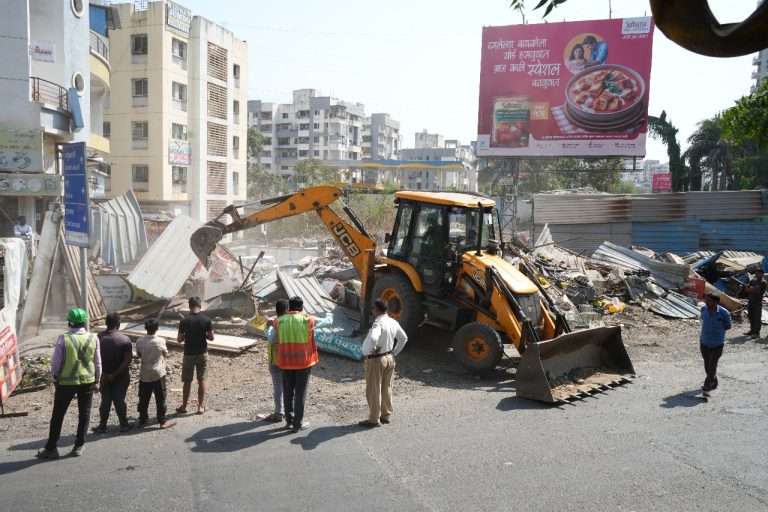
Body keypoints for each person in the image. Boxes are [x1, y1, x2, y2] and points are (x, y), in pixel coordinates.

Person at [37, 308, 101, 459]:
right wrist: (98, 380)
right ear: (85, 322)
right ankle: (79, 445)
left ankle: (51, 448)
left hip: (65, 383)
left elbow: (56, 363)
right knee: (84, 414)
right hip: (87, 381)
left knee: (58, 415)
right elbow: (98, 363)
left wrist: (55, 377)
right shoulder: (93, 338)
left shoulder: (63, 339)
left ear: (70, 322)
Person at [358, 299, 409, 428]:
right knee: (386, 387)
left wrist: (366, 351)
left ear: (376, 309)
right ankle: (385, 415)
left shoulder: (378, 323)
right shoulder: (393, 322)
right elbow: (403, 338)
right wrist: (394, 353)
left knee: (373, 389)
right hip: (389, 357)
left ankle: (374, 419)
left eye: (373, 308)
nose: (372, 310)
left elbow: (374, 338)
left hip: (376, 359)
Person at [276, 296, 318, 433]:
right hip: (303, 363)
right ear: (301, 307)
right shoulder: (308, 320)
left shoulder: (279, 321)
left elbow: (273, 325)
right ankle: (297, 424)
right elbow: (314, 320)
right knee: (300, 393)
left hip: (286, 362)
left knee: (288, 392)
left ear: (289, 307)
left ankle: (289, 421)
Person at [93, 312, 133, 434]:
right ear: (119, 324)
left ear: (106, 323)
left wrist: (103, 374)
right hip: (121, 376)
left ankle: (102, 426)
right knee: (119, 400)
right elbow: (127, 361)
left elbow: (94, 358)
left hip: (103, 376)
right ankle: (124, 425)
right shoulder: (125, 339)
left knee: (105, 400)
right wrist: (114, 374)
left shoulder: (98, 338)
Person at [136, 318, 176, 429]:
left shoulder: (139, 341)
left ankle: (143, 419)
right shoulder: (161, 341)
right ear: (157, 329)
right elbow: (165, 354)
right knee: (160, 397)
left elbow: (139, 355)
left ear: (145, 328)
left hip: (145, 374)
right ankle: (162, 421)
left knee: (144, 397)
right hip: (158, 373)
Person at [177, 296, 213, 415]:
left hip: (188, 354)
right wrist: (204, 334)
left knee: (187, 381)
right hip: (202, 353)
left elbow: (179, 339)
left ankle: (184, 406)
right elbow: (211, 337)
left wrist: (186, 335)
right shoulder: (206, 320)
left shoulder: (184, 321)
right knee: (201, 380)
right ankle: (200, 407)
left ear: (189, 306)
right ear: (200, 305)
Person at [699, 293, 732, 397]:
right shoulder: (703, 309)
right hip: (704, 342)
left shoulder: (724, 313)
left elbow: (728, 326)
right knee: (707, 366)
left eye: (709, 301)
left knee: (712, 365)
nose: (707, 302)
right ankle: (714, 380)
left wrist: (717, 330)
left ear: (716, 302)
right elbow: (703, 320)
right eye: (706, 300)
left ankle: (707, 387)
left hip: (717, 344)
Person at [263, 299, 289, 422]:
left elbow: (271, 338)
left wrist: (268, 326)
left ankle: (279, 413)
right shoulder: (290, 322)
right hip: (289, 359)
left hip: (276, 360)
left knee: (278, 388)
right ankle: (289, 412)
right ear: (287, 310)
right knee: (288, 387)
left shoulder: (276, 324)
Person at [742, 268, 766, 338]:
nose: (757, 274)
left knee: (757, 318)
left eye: (759, 273)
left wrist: (751, 289)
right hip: (751, 301)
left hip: (757, 302)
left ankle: (756, 333)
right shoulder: (753, 281)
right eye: (756, 273)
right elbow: (747, 289)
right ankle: (752, 330)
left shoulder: (763, 282)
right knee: (751, 316)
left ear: (762, 274)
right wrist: (750, 289)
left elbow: (757, 291)